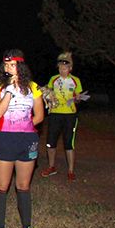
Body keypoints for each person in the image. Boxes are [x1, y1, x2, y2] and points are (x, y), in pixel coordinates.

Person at [0, 49, 45, 228]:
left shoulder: (33, 87)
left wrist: (27, 126)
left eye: (12, 64)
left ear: (20, 66)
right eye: (5, 65)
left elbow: (39, 115)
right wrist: (9, 92)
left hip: (27, 139)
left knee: (23, 186)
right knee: (2, 185)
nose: (8, 68)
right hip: (5, 138)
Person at [41, 51, 85, 181]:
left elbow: (79, 99)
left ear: (70, 68)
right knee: (51, 142)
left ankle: (71, 171)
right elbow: (48, 93)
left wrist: (77, 98)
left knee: (69, 143)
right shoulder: (53, 79)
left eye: (65, 68)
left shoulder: (75, 80)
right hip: (55, 114)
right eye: (60, 68)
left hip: (70, 115)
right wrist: (47, 95)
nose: (62, 70)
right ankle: (51, 167)